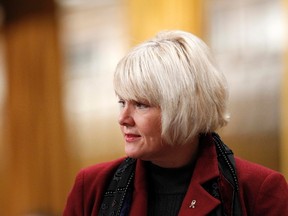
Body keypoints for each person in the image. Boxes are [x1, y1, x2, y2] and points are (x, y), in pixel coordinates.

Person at [63, 30, 288, 216]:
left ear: (184, 108)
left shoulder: (257, 189)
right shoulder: (92, 187)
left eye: (141, 105)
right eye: (122, 102)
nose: (123, 118)